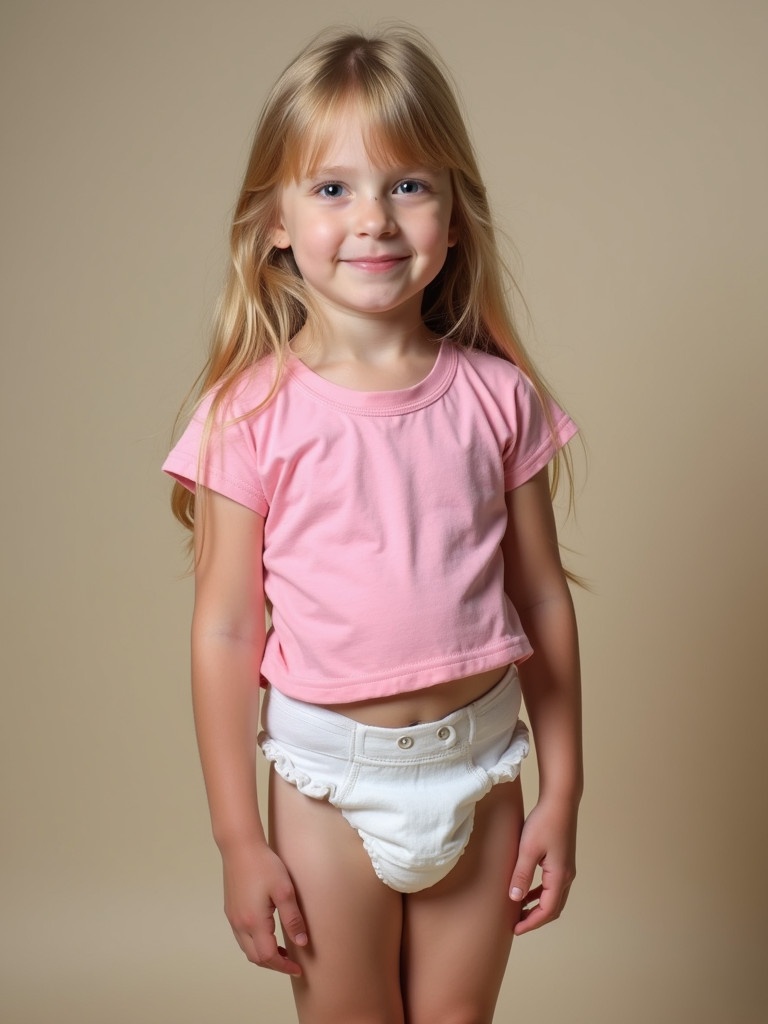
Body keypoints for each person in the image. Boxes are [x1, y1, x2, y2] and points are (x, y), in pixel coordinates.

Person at [163, 24, 583, 1024]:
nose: (375, 221)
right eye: (332, 188)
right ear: (273, 220)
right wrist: (237, 837)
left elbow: (542, 599)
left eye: (408, 184)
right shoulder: (248, 415)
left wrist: (563, 792)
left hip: (481, 776)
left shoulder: (497, 399)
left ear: (452, 211)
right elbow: (226, 630)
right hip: (326, 792)